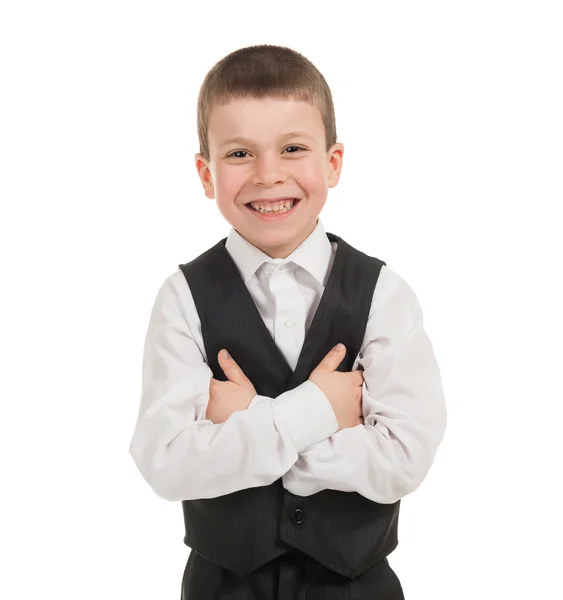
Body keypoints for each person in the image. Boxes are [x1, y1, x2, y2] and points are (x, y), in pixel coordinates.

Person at [129, 43, 447, 599]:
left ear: (333, 163)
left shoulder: (383, 295)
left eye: (293, 148)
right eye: (239, 154)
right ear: (206, 174)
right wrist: (320, 413)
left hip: (358, 585)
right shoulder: (182, 297)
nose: (269, 175)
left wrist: (249, 418)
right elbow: (166, 462)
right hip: (221, 587)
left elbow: (403, 459)